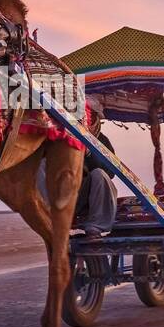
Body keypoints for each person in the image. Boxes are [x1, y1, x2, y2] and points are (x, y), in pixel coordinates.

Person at [37, 98, 118, 238]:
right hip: (63, 192)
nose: (85, 119)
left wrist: (89, 152)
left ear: (96, 120)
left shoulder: (102, 141)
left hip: (88, 194)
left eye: (89, 116)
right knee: (41, 165)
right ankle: (50, 217)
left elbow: (111, 172)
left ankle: (96, 226)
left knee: (100, 174)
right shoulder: (62, 135)